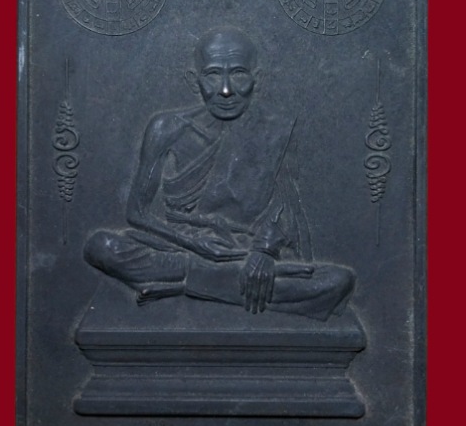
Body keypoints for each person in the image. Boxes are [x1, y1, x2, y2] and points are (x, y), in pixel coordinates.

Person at [84, 27, 355, 320]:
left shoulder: (274, 131)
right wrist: (195, 244)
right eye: (213, 75)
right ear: (194, 80)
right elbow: (137, 213)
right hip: (179, 245)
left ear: (257, 79)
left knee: (338, 281)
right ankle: (215, 284)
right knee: (102, 246)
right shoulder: (166, 128)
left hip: (241, 251)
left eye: (238, 74)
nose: (226, 89)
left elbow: (286, 206)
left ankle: (185, 285)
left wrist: (264, 252)